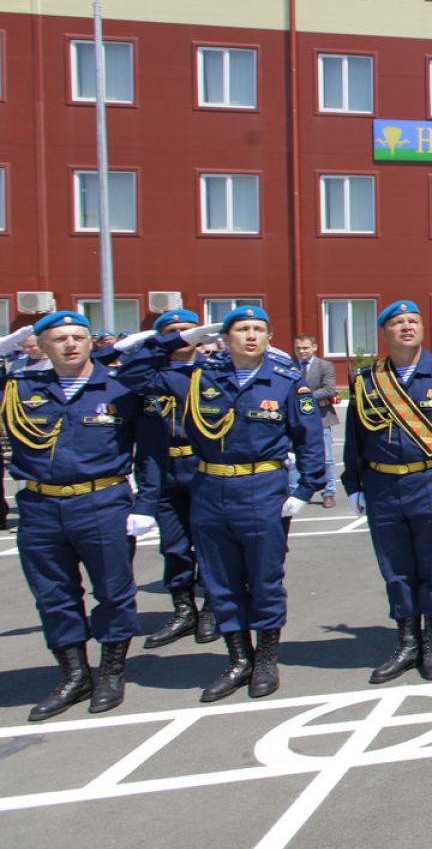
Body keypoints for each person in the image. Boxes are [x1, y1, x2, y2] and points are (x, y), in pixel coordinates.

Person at [117, 307, 328, 701]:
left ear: (268, 338)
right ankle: (238, 659)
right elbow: (130, 374)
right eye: (242, 329)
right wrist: (181, 340)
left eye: (259, 329)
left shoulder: (285, 382)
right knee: (221, 580)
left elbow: (308, 438)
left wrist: (305, 490)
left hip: (262, 488)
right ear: (225, 338)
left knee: (264, 580)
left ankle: (265, 659)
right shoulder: (198, 378)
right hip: (210, 487)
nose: (251, 335)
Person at [0, 313, 151, 719]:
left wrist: (147, 504)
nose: (70, 344)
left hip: (101, 501)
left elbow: (150, 451)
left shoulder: (121, 387)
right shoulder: (19, 387)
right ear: (42, 347)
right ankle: (73, 674)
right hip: (40, 505)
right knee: (53, 596)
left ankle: (111, 672)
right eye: (59, 339)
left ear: (91, 342)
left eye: (78, 337)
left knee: (114, 593)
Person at [342, 301, 432, 683]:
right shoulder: (366, 381)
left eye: (414, 321)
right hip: (382, 485)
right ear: (385, 332)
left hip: (431, 484)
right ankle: (408, 642)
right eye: (398, 322)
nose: (407, 327)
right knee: (396, 570)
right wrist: (353, 483)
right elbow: (354, 438)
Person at [131, 309, 217, 647]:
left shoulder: (212, 372)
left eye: (187, 330)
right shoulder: (147, 377)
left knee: (210, 542)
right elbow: (122, 372)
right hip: (161, 468)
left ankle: (212, 608)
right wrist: (154, 347)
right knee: (174, 546)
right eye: (172, 331)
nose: (181, 336)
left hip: (201, 466)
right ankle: (184, 610)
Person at [292, 333, 340, 507]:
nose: (302, 351)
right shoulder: (290, 366)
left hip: (321, 417)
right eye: (298, 348)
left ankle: (329, 492)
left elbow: (329, 390)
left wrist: (303, 397)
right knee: (297, 456)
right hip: (296, 418)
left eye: (305, 348)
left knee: (326, 458)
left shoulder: (325, 366)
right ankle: (299, 491)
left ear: (314, 347)